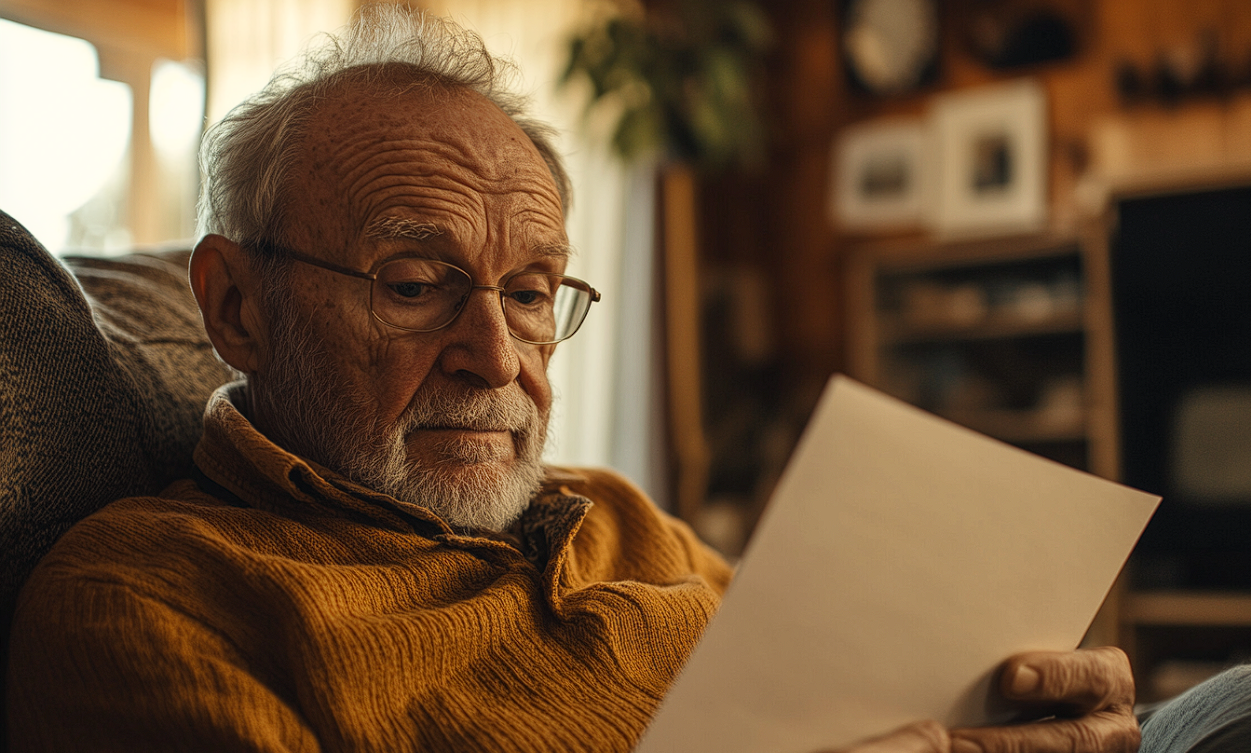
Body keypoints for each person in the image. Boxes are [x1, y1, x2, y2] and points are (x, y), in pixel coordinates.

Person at [6, 6, 1142, 752]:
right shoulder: (146, 600)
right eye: (414, 285)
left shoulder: (619, 515)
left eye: (535, 293)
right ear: (236, 306)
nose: (499, 360)